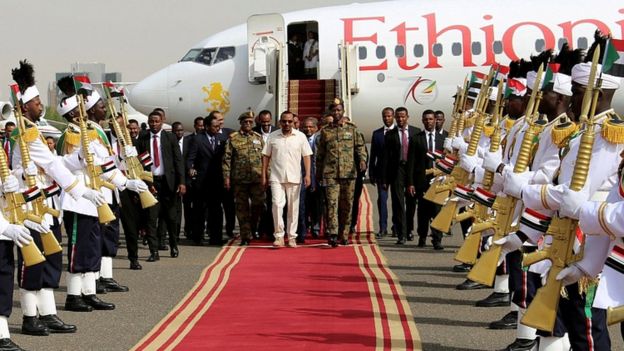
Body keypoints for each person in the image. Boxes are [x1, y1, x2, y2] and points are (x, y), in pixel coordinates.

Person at [316, 99, 367, 247]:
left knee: (347, 205)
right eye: (334, 110)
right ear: (330, 112)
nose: (337, 113)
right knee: (331, 204)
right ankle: (332, 234)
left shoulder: (352, 129)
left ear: (343, 111)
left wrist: (362, 160)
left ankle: (344, 234)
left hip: (349, 174)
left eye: (339, 110)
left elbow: (360, 148)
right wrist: (318, 173)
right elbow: (320, 154)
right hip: (331, 173)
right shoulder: (326, 131)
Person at [138, 111, 186, 261]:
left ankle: (173, 245)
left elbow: (178, 161)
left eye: (157, 121)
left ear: (162, 121)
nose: (153, 124)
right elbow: (139, 161)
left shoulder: (170, 137)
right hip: (151, 182)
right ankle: (154, 252)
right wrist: (145, 183)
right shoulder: (143, 137)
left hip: (168, 183)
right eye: (151, 121)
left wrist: (182, 182)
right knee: (151, 219)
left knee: (171, 218)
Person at [261, 111, 312, 248]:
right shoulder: (272, 137)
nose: (287, 124)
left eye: (289, 121)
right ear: (280, 122)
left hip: (295, 177)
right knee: (277, 205)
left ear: (293, 122)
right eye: (284, 121)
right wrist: (264, 175)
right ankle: (278, 236)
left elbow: (307, 156)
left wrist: (307, 174)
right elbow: (265, 156)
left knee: (293, 208)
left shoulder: (300, 137)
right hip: (276, 177)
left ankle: (291, 237)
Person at [223, 112, 266, 246]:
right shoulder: (233, 138)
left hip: (256, 179)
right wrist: (226, 177)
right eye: (245, 122)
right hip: (239, 180)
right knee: (242, 209)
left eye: (250, 122)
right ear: (240, 123)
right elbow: (227, 159)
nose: (248, 124)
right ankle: (245, 235)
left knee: (258, 205)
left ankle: (253, 228)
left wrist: (266, 175)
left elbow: (265, 158)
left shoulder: (258, 138)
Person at [381, 107, 420, 245]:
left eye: (403, 117)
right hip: (397, 170)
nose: (400, 119)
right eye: (398, 117)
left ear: (407, 117)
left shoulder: (416, 132)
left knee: (411, 202)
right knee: (398, 202)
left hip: (412, 171)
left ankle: (409, 229)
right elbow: (385, 157)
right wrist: (384, 179)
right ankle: (401, 234)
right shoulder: (390, 135)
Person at [187, 115, 228, 246]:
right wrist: (190, 168)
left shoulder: (222, 139)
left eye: (219, 126)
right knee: (199, 209)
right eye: (215, 126)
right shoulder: (198, 139)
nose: (218, 128)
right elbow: (190, 158)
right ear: (207, 127)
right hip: (201, 182)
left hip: (217, 181)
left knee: (216, 210)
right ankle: (198, 236)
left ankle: (216, 237)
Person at [408, 109, 445, 250]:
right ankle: (422, 236)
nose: (428, 122)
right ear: (423, 121)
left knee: (437, 211)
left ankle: (437, 239)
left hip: (439, 181)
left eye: (431, 119)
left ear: (435, 120)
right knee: (423, 211)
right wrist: (410, 182)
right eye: (426, 119)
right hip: (422, 181)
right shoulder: (417, 138)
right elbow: (411, 162)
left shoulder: (444, 138)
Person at [369, 107, 394, 238]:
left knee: (397, 201)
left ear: (393, 117)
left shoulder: (399, 132)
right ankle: (383, 228)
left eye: (389, 116)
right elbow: (373, 155)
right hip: (380, 173)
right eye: (384, 116)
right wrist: (371, 172)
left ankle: (397, 227)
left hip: (396, 172)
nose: (387, 118)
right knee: (382, 200)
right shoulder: (377, 133)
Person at [299, 117, 321, 241]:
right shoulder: (299, 139)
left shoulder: (320, 139)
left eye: (311, 126)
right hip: (302, 175)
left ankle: (316, 227)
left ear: (316, 128)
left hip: (317, 176)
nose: (308, 129)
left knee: (317, 205)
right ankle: (304, 227)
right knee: (304, 204)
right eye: (306, 127)